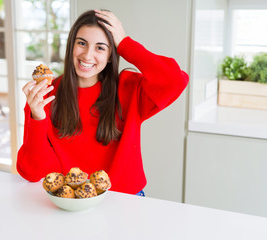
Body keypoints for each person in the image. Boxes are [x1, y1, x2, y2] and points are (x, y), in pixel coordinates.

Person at [17, 9, 189, 196]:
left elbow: (175, 80)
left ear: (110, 56)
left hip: (124, 200)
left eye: (100, 47)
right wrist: (37, 116)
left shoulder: (129, 89)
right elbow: (32, 172)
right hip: (71, 201)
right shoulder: (46, 95)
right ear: (71, 46)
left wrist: (125, 43)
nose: (88, 55)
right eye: (82, 43)